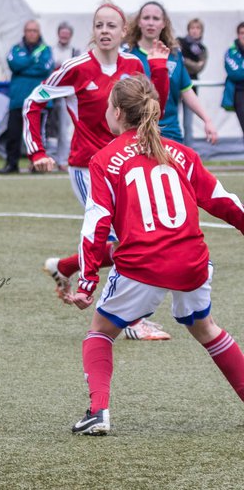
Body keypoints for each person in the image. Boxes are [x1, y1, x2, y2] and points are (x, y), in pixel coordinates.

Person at [64, 75, 244, 436]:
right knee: (205, 328)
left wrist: (86, 282)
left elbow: (95, 225)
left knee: (99, 332)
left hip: (143, 266)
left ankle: (98, 412)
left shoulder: (105, 160)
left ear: (116, 112)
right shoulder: (182, 153)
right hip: (192, 262)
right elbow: (224, 202)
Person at [26, 0, 172, 341]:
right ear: (93, 32)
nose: (104, 31)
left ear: (124, 32)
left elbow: (155, 110)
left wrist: (160, 69)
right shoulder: (75, 68)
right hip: (87, 168)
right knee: (128, 241)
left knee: (129, 240)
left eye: (111, 26)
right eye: (99, 25)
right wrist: (37, 152)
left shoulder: (135, 64)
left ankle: (64, 267)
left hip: (127, 165)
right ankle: (131, 321)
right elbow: (34, 101)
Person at [123, 1, 218, 145]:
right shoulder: (127, 56)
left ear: (164, 23)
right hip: (137, 134)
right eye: (146, 18)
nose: (151, 23)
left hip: (170, 133)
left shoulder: (174, 55)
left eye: (156, 19)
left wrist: (207, 120)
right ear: (138, 22)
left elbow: (186, 90)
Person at [0, 20, 53, 174]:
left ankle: (36, 164)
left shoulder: (46, 49)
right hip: (18, 99)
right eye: (29, 30)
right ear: (24, 32)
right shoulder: (15, 49)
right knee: (13, 134)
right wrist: (31, 61)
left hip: (38, 101)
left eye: (34, 30)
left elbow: (44, 69)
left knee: (37, 135)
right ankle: (11, 164)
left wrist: (23, 68)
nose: (31, 33)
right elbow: (13, 64)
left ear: (39, 32)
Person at [49, 22, 81, 169]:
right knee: (49, 128)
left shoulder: (75, 52)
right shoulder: (50, 51)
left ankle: (62, 159)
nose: (64, 36)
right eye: (62, 33)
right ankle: (49, 158)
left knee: (64, 128)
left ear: (70, 36)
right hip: (50, 94)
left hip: (65, 95)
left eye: (67, 34)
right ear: (58, 34)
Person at [178, 18, 207, 142]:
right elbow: (176, 60)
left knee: (188, 124)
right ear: (188, 29)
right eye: (192, 28)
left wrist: (185, 61)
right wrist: (188, 62)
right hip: (175, 85)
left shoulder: (202, 49)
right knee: (170, 119)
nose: (195, 31)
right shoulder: (179, 42)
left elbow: (199, 67)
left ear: (201, 31)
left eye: (197, 28)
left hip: (191, 88)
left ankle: (188, 151)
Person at [225, 22, 244, 139]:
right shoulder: (231, 52)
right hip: (239, 94)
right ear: (238, 35)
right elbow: (234, 73)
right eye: (242, 33)